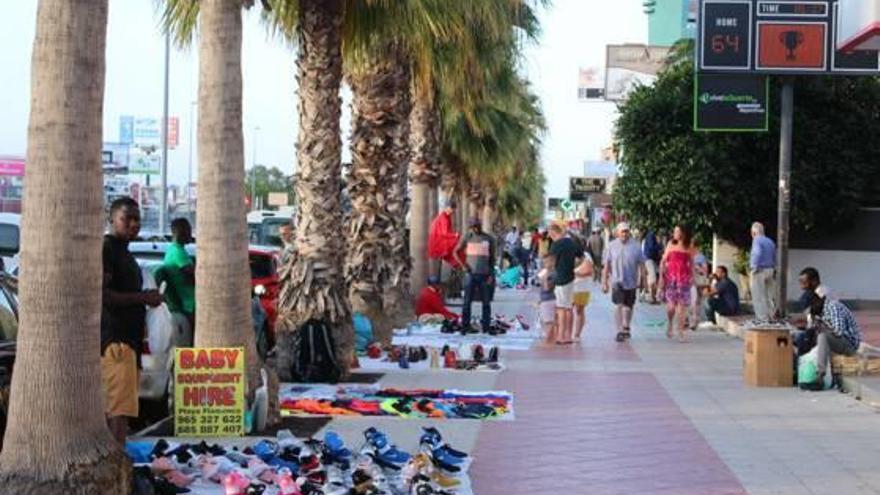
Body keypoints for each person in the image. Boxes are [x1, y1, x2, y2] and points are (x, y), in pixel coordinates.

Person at [102, 197, 163, 444]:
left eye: (137, 219)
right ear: (113, 219)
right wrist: (142, 297)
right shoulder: (108, 248)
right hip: (116, 341)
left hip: (130, 340)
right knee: (118, 408)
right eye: (127, 219)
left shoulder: (124, 252)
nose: (133, 224)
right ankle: (115, 461)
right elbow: (102, 294)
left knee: (124, 405)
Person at [806, 288, 861, 385]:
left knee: (823, 336)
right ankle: (836, 377)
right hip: (839, 344)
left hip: (849, 345)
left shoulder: (833, 307)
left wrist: (823, 327)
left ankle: (820, 375)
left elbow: (839, 332)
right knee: (821, 337)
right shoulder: (821, 311)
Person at [602, 222, 646, 342]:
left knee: (629, 306)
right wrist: (604, 282)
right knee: (619, 305)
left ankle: (626, 325)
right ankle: (619, 330)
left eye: (626, 231)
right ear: (617, 233)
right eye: (622, 231)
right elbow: (606, 265)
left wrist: (643, 281)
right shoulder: (611, 246)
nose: (625, 234)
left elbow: (642, 265)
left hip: (631, 281)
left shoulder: (636, 246)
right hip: (617, 281)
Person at [454, 217, 496, 334]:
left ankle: (486, 327)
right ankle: (465, 327)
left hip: (485, 275)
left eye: (477, 226)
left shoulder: (488, 239)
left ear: (480, 225)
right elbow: (455, 252)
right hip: (470, 275)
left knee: (486, 303)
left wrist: (491, 274)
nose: (475, 228)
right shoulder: (467, 237)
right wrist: (463, 265)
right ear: (471, 227)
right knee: (467, 302)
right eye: (473, 226)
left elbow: (492, 259)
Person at [659, 225, 696, 342]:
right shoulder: (670, 244)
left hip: (684, 280)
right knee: (671, 308)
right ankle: (670, 323)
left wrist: (692, 277)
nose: (675, 233)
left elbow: (692, 263)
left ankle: (680, 332)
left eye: (677, 231)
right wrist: (660, 277)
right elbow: (663, 261)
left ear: (683, 233)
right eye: (674, 231)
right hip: (671, 280)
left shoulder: (688, 246)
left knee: (682, 308)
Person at [548, 223, 582, 345]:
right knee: (568, 308)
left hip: (560, 279)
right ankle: (568, 335)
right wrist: (573, 267)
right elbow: (581, 257)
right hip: (571, 278)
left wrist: (545, 276)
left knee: (561, 308)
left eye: (550, 234)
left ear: (553, 233)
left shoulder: (556, 245)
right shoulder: (572, 242)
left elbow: (550, 263)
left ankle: (561, 336)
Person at [161, 218, 196, 328]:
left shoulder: (177, 250)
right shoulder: (177, 252)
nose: (191, 233)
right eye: (188, 230)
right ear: (181, 232)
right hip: (188, 304)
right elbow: (196, 274)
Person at [749, 221, 777, 320]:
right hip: (770, 269)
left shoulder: (757, 240)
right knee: (769, 295)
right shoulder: (770, 241)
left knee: (758, 295)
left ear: (753, 233)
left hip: (759, 270)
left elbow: (757, 253)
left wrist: (754, 267)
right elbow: (774, 256)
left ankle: (762, 318)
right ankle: (771, 316)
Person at [428, 198, 462, 270]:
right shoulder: (444, 218)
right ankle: (458, 263)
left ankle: (456, 264)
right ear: (447, 208)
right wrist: (455, 235)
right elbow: (444, 233)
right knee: (458, 243)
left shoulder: (446, 216)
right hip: (439, 241)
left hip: (439, 240)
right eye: (451, 209)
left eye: (453, 209)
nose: (452, 211)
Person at [572, 253, 594, 342]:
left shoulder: (586, 256)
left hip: (581, 288)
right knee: (567, 310)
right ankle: (566, 333)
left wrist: (574, 272)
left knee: (579, 310)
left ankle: (577, 334)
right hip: (569, 286)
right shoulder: (567, 253)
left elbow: (588, 272)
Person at [537, 254, 558, 345]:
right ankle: (551, 339)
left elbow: (547, 288)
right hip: (545, 299)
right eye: (544, 262)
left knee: (548, 321)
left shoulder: (552, 274)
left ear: (553, 262)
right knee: (548, 320)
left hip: (548, 299)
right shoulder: (548, 272)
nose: (545, 264)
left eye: (547, 262)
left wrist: (544, 279)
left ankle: (548, 341)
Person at [690, 243, 710, 330]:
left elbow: (705, 270)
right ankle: (695, 320)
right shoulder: (692, 256)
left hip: (697, 281)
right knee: (696, 301)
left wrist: (696, 268)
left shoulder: (699, 257)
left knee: (695, 301)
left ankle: (695, 320)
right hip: (694, 281)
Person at [642, 229, 663, 303]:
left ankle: (646, 295)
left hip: (653, 260)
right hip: (649, 259)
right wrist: (659, 245)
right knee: (653, 278)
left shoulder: (652, 235)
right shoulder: (651, 235)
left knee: (654, 278)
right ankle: (651, 297)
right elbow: (651, 248)